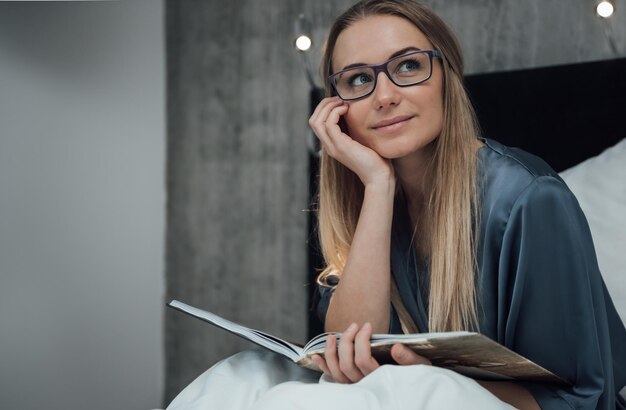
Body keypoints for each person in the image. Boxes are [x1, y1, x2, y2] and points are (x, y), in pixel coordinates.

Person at [307, 0, 626, 409]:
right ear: (337, 106)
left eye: (408, 66)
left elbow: (581, 400)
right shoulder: (370, 200)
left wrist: (433, 384)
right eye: (357, 80)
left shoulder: (527, 200)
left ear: (446, 75)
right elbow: (349, 349)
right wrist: (378, 184)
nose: (383, 96)